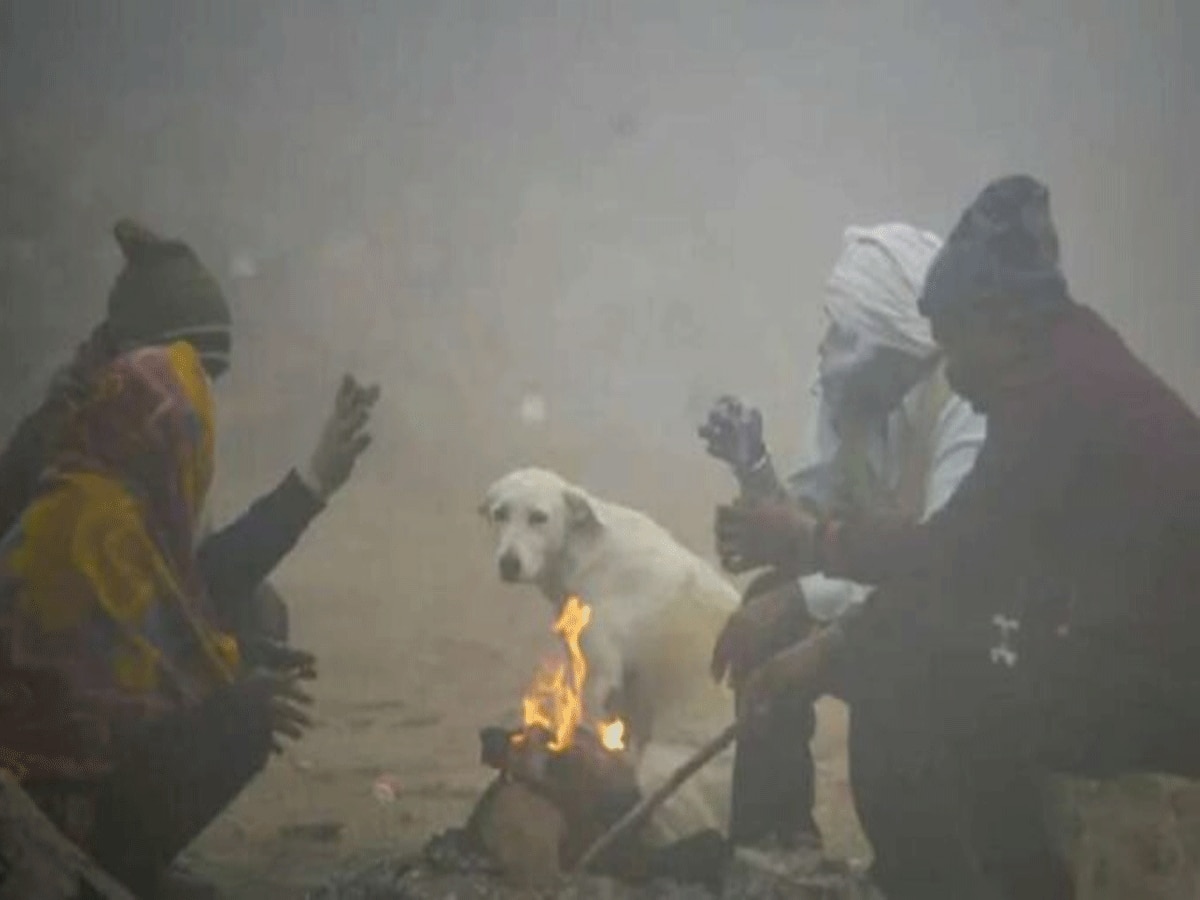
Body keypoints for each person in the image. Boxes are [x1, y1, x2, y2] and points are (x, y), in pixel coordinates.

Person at [713, 175, 1200, 899]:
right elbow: (961, 557)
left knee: (910, 668)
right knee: (923, 652)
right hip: (1113, 656)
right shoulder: (1062, 362)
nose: (955, 370)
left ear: (998, 323)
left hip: (1161, 692)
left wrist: (827, 639)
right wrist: (810, 564)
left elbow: (950, 563)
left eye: (955, 345)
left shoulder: (1047, 398)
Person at [698, 224, 986, 862]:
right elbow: (814, 524)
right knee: (768, 605)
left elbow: (945, 565)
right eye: (830, 327)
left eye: (846, 337)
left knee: (880, 655)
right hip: (892, 597)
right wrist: (754, 471)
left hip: (970, 631)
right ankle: (773, 844)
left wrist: (805, 601)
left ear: (904, 351)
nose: (827, 349)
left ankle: (916, 862)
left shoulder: (967, 402)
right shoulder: (852, 387)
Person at [0, 219, 380, 655]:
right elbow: (157, 609)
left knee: (258, 611)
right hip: (53, 684)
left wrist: (314, 481)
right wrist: (219, 693)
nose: (200, 397)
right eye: (189, 375)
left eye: (208, 380)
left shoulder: (140, 428)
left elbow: (196, 576)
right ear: (139, 361)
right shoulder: (71, 456)